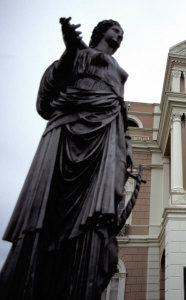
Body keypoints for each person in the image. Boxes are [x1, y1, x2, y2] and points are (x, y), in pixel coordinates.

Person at [0, 18, 133, 300]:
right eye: (116, 30)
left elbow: (120, 110)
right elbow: (48, 94)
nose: (120, 36)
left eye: (122, 33)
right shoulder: (79, 55)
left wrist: (127, 146)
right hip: (70, 129)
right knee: (50, 204)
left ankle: (79, 281)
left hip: (107, 133)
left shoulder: (116, 73)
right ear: (101, 32)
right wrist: (71, 51)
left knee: (99, 208)